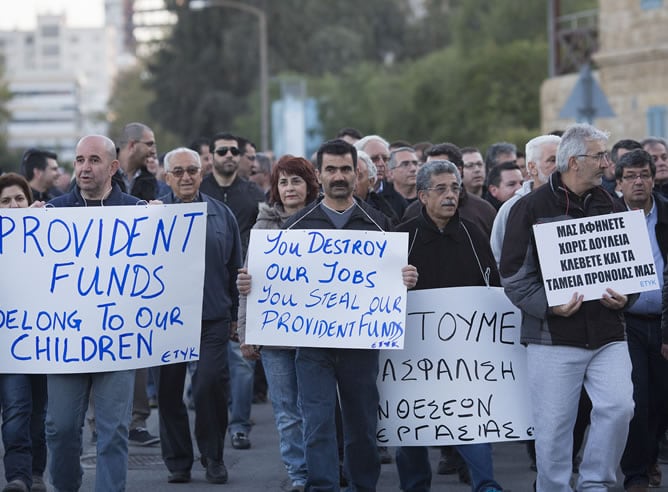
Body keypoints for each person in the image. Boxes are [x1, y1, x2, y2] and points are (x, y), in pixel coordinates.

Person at [500, 123, 635, 491]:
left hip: (608, 333)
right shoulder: (529, 208)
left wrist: (628, 297)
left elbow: (631, 266)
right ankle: (554, 487)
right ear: (574, 162)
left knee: (620, 408)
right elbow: (513, 276)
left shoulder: (612, 203)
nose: (608, 164)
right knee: (554, 426)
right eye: (600, 156)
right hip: (553, 337)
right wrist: (550, 307)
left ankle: (595, 482)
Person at [281, 139, 418, 490]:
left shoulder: (381, 225)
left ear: (358, 173)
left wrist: (406, 279)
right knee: (318, 426)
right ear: (318, 174)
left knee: (362, 428)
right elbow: (279, 285)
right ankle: (322, 486)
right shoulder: (296, 228)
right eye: (331, 169)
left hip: (361, 346)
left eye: (346, 169)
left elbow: (396, 280)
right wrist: (254, 283)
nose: (339, 176)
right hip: (312, 348)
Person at [394, 160, 503, 492]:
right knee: (409, 420)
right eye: (440, 189)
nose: (449, 195)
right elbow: (380, 295)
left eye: (454, 188)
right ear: (423, 195)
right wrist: (398, 281)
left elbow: (493, 288)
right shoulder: (402, 236)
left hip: (464, 351)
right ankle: (414, 485)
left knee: (471, 418)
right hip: (411, 352)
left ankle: (485, 484)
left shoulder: (473, 233)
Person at [47, 135, 140, 492]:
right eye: (80, 160)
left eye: (94, 160)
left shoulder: (136, 212)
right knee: (60, 427)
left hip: (117, 343)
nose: (85, 168)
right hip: (65, 342)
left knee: (114, 430)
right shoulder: (52, 214)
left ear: (114, 167)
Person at [156, 147, 242, 484]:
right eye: (178, 172)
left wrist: (237, 315)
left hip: (212, 317)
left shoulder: (222, 215)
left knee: (208, 385)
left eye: (192, 170)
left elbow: (235, 266)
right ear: (167, 178)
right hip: (164, 320)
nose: (186, 177)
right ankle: (178, 460)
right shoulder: (153, 214)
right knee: (168, 390)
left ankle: (213, 456)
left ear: (201, 173)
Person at [237, 155, 320, 492]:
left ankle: (322, 470)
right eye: (283, 182)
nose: (289, 188)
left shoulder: (323, 222)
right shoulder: (263, 227)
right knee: (286, 412)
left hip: (316, 337)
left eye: (296, 181)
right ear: (275, 188)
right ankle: (299, 475)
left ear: (309, 185)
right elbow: (248, 286)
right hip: (274, 338)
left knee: (314, 408)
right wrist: (246, 332)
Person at [199, 131, 266, 451]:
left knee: (242, 361)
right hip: (206, 287)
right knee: (203, 371)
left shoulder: (254, 194)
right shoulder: (199, 192)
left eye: (233, 151)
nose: (228, 155)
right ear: (210, 156)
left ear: (240, 157)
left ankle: (239, 425)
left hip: (246, 285)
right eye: (221, 150)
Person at [616, 149, 668, 491]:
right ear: (618, 183)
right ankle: (635, 472)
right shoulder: (606, 217)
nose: (639, 182)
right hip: (625, 322)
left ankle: (649, 460)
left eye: (644, 175)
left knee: (662, 398)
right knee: (636, 398)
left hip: (663, 321)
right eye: (631, 176)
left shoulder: (665, 213)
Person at [0, 173, 47, 492]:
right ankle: (17, 476)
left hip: (45, 341)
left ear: (30, 202)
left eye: (19, 199)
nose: (14, 206)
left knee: (40, 412)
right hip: (9, 343)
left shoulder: (50, 235)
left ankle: (35, 473)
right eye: (5, 201)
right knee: (16, 407)